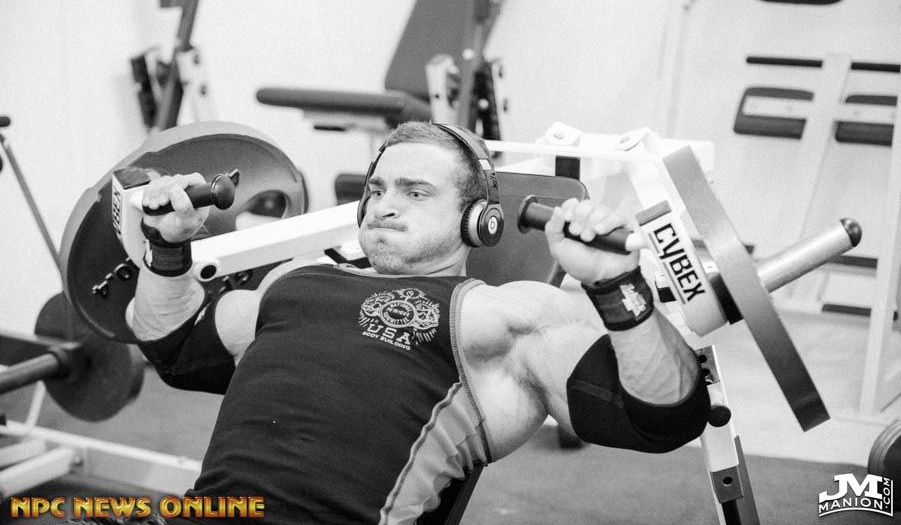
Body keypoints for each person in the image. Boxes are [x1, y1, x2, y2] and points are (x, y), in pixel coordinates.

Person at [127, 121, 709, 524]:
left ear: (478, 219)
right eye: (376, 189)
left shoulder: (498, 315)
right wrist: (167, 247)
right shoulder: (295, 279)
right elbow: (177, 346)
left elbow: (662, 417)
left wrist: (615, 284)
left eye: (415, 192)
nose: (383, 204)